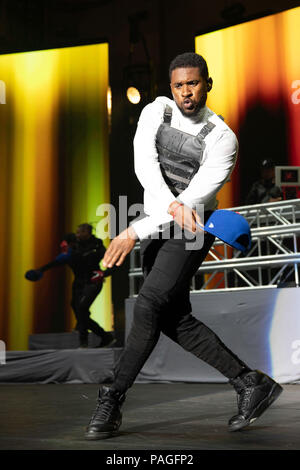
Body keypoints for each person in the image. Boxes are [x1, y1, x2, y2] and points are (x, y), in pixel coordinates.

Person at [85, 52, 282, 439]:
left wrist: (135, 230)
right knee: (173, 318)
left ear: (207, 83)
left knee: (149, 304)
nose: (186, 92)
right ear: (170, 86)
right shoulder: (156, 111)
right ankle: (249, 383)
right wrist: (150, 219)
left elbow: (191, 202)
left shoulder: (224, 139)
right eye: (179, 85)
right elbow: (146, 168)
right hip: (156, 220)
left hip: (193, 228)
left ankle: (111, 396)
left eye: (193, 83)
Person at [25, 223, 115, 348]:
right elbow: (58, 261)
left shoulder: (97, 245)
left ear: (88, 233)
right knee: (78, 310)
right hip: (78, 282)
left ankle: (88, 341)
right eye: (77, 232)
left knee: (82, 309)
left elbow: (112, 262)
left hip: (93, 282)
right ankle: (101, 338)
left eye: (80, 232)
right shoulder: (73, 246)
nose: (77, 234)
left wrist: (103, 274)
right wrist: (40, 270)